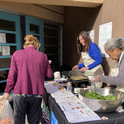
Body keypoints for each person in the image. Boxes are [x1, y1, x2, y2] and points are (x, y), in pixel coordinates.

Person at [1, 35, 53, 124]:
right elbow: (49, 74)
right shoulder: (43, 56)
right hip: (36, 95)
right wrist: (47, 64)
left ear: (25, 45)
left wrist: (7, 91)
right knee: (34, 121)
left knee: (19, 121)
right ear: (37, 45)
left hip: (20, 94)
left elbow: (11, 75)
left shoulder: (16, 54)